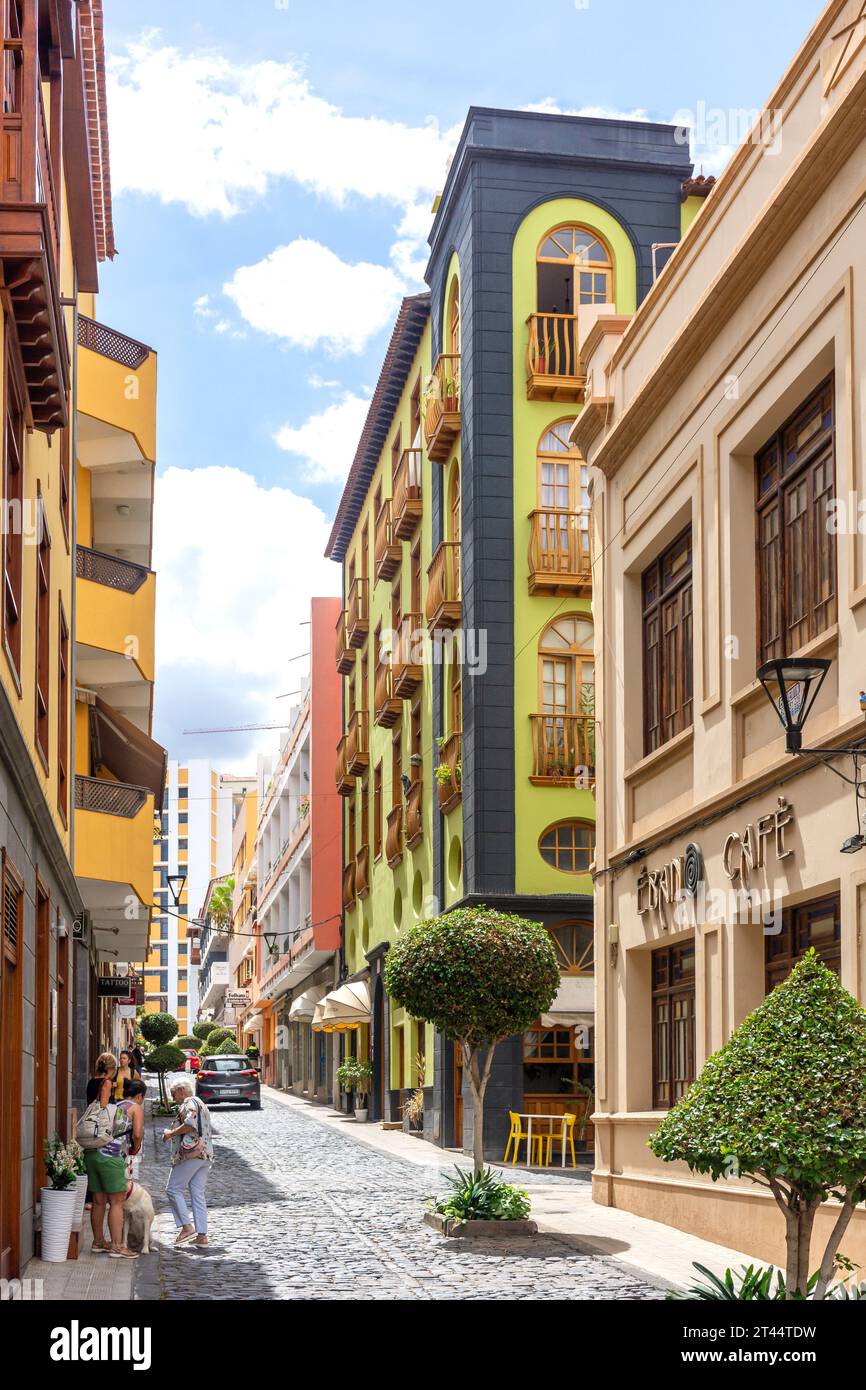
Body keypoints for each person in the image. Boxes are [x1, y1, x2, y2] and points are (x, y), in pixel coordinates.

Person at [85, 1074, 143, 1258]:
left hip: (93, 1155)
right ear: (140, 1095)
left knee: (98, 1201)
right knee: (117, 1202)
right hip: (111, 1157)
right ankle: (118, 1246)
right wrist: (136, 1147)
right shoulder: (135, 1108)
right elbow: (137, 1133)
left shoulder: (114, 1105)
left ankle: (98, 1242)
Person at [162, 1078, 213, 1247]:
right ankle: (202, 1236)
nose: (173, 1097)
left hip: (191, 1153)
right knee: (198, 1193)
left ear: (182, 1090)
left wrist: (170, 1134)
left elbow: (190, 1123)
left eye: (173, 1093)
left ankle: (186, 1227)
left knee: (173, 1189)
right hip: (205, 1154)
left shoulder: (188, 1103)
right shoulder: (201, 1103)